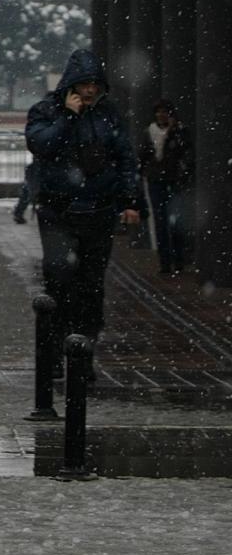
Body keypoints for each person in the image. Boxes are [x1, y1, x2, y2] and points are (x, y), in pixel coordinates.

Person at [25, 49, 140, 352]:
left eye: (95, 84)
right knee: (60, 281)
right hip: (58, 211)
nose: (90, 90)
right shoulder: (45, 110)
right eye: (84, 83)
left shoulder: (108, 115)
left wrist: (130, 201)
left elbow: (125, 158)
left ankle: (84, 348)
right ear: (71, 85)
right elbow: (41, 144)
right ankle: (56, 346)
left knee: (91, 285)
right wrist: (67, 117)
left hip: (98, 212)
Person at [138, 98, 193, 276]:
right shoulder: (149, 132)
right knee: (160, 222)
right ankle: (165, 262)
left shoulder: (179, 131)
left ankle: (178, 260)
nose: (161, 115)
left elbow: (185, 152)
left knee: (176, 222)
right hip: (156, 181)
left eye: (164, 112)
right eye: (158, 112)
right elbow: (143, 155)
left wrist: (172, 131)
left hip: (174, 181)